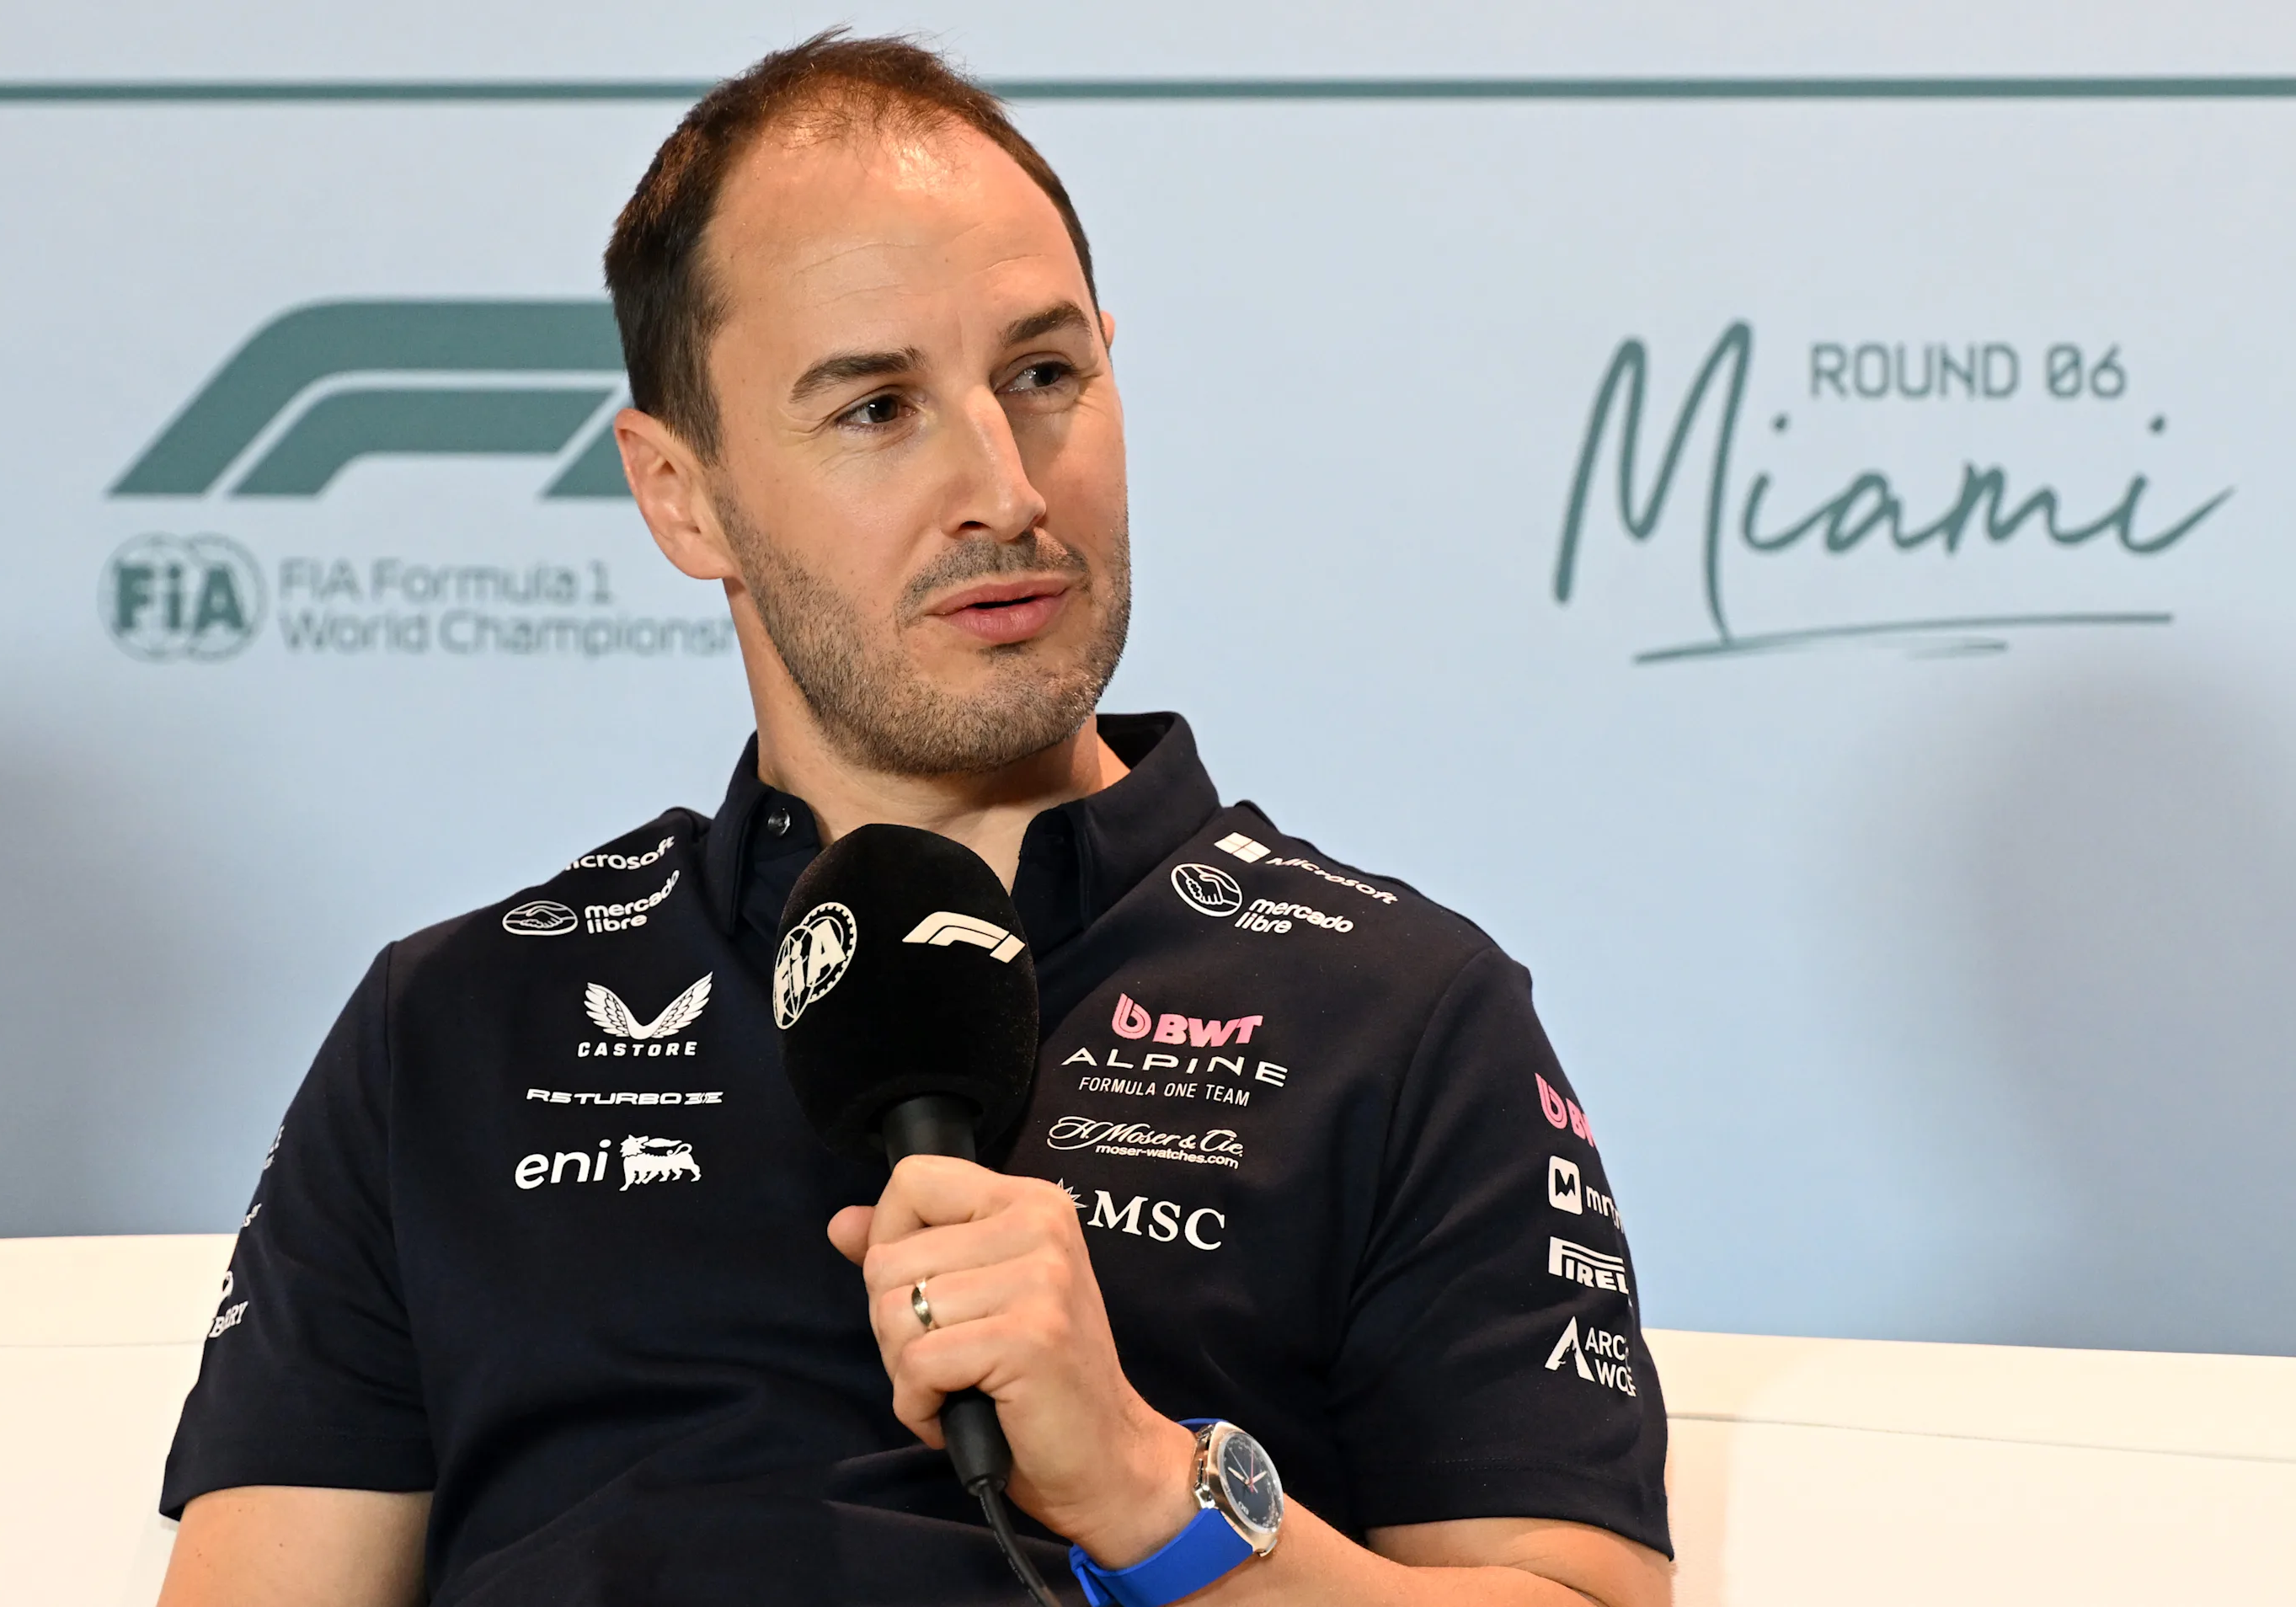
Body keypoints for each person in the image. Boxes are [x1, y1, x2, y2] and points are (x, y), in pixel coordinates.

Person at [156, 32, 1669, 1607]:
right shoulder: (453, 1025)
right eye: (878, 409)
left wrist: (1160, 1492)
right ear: (683, 495)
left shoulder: (1403, 1014)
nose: (1006, 486)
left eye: (1043, 376)